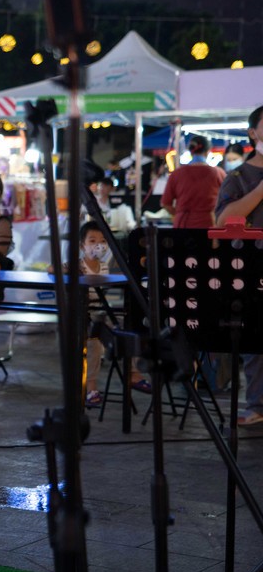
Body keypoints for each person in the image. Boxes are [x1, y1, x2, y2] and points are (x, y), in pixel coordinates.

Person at [213, 106, 263, 425]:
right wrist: (260, 190)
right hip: (250, 268)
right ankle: (257, 405)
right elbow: (222, 221)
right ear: (252, 133)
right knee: (256, 341)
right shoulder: (238, 177)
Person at [72, 221, 148, 408]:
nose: (98, 245)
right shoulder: (78, 265)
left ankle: (133, 373)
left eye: (102, 241)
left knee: (133, 326)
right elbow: (53, 269)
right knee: (94, 343)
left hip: (100, 313)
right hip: (83, 316)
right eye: (92, 241)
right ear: (82, 246)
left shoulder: (104, 266)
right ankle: (90, 386)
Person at [161, 135, 225, 229]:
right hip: (209, 224)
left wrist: (179, 213)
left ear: (190, 151)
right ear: (208, 151)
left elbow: (165, 203)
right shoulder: (218, 173)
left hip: (183, 224)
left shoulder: (177, 174)